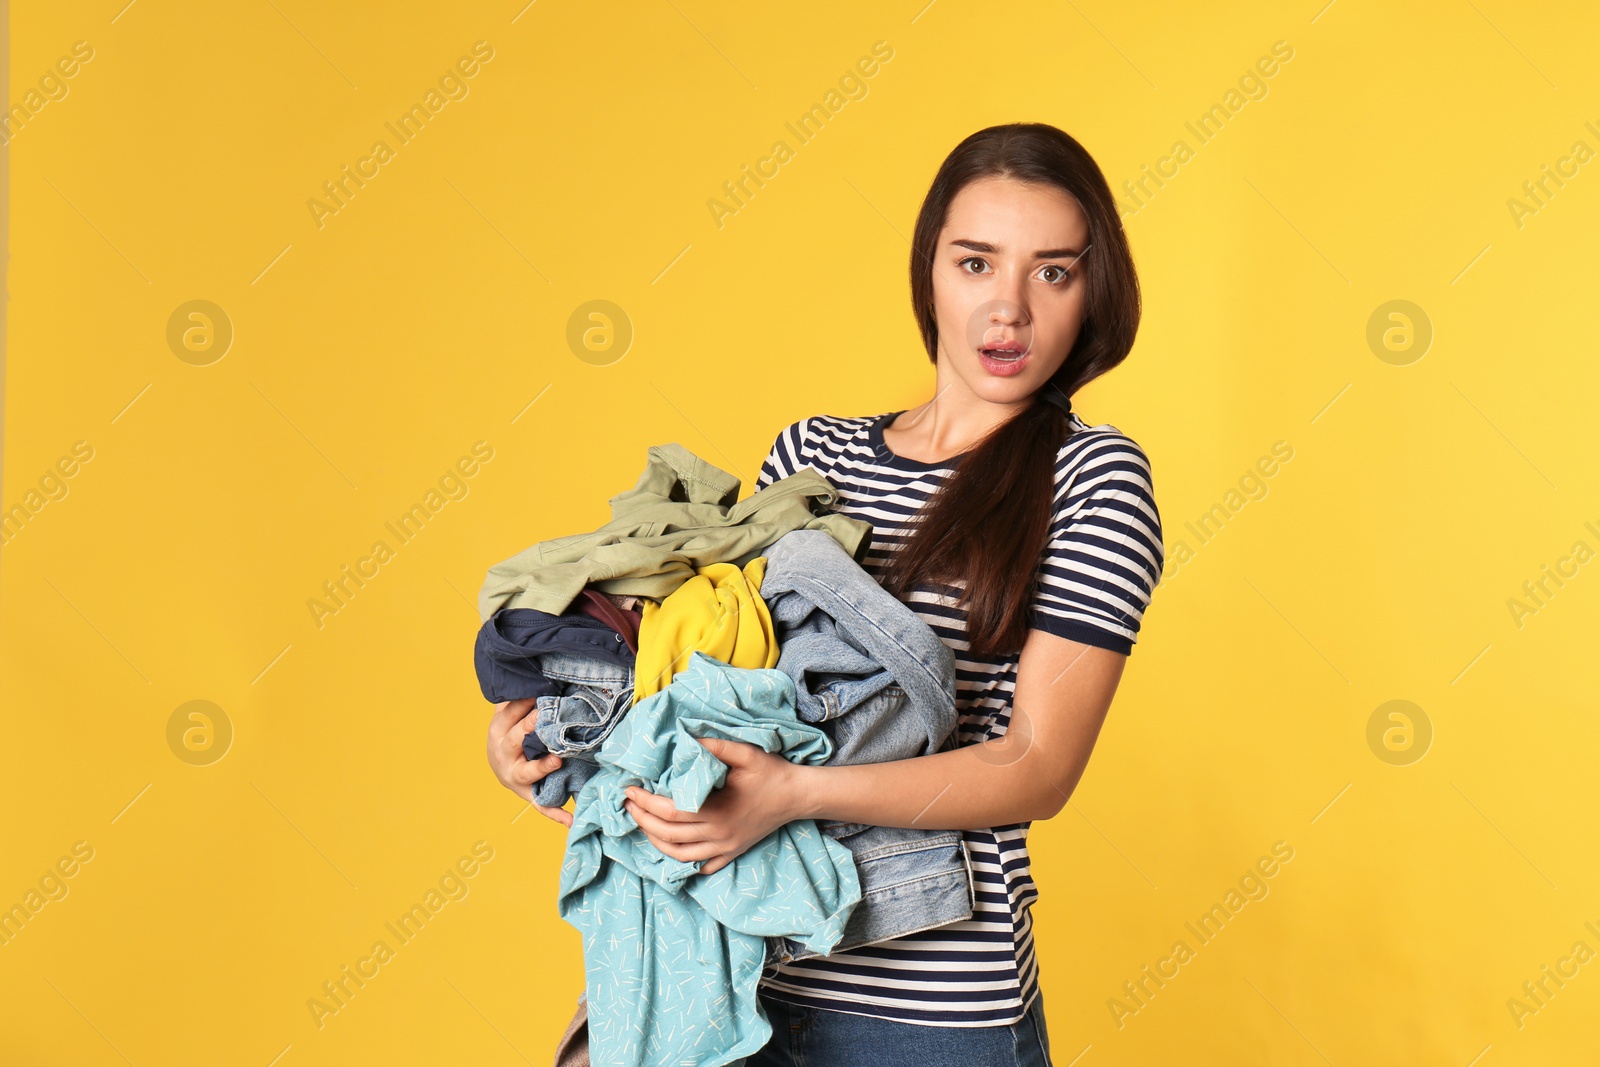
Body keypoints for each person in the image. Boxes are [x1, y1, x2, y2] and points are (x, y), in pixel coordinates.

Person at [486, 121, 1164, 1067]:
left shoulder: (1091, 477)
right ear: (931, 269)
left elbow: (1037, 766)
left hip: (930, 1015)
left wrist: (794, 793)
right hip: (733, 983)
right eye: (977, 263)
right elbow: (711, 691)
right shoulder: (816, 456)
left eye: (1052, 272)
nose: (1007, 309)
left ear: (1093, 292)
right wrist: (547, 742)